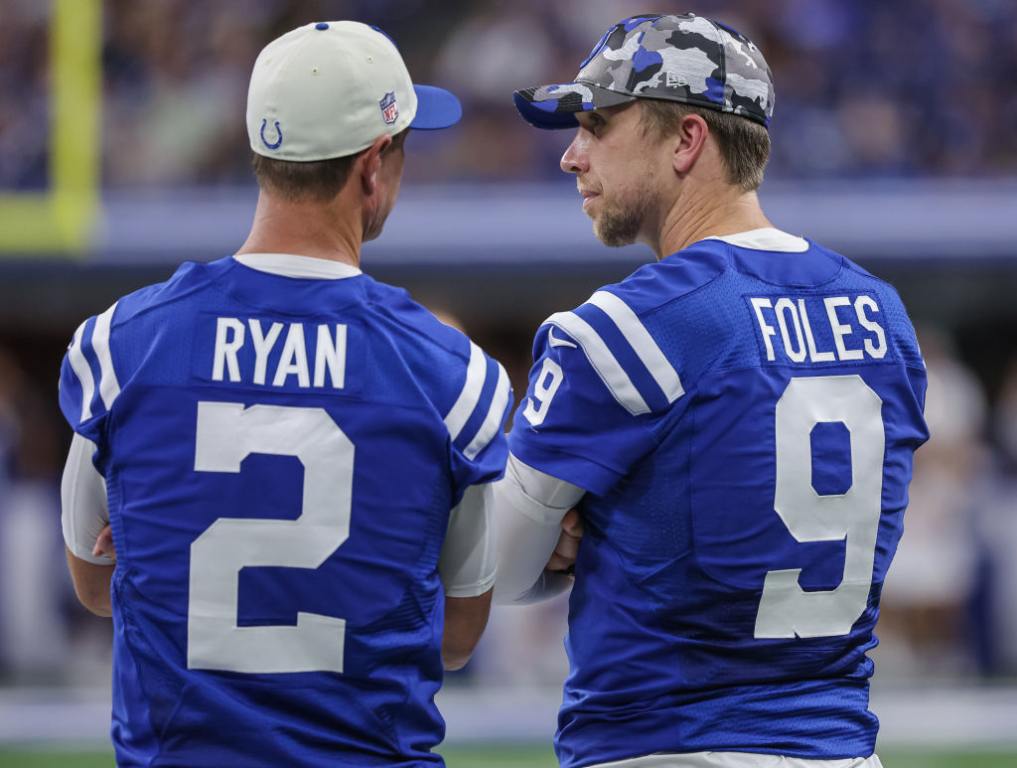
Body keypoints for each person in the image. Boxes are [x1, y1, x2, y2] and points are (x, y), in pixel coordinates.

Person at [59, 21, 510, 767]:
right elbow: (457, 639)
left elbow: (94, 586)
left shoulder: (125, 345)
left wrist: (159, 549)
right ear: (373, 165)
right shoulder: (446, 372)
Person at [493, 13, 929, 768]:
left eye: (595, 125)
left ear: (686, 140)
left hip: (663, 744)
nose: (571, 155)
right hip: (838, 747)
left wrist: (581, 530)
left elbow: (492, 569)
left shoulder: (628, 326)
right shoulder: (881, 314)